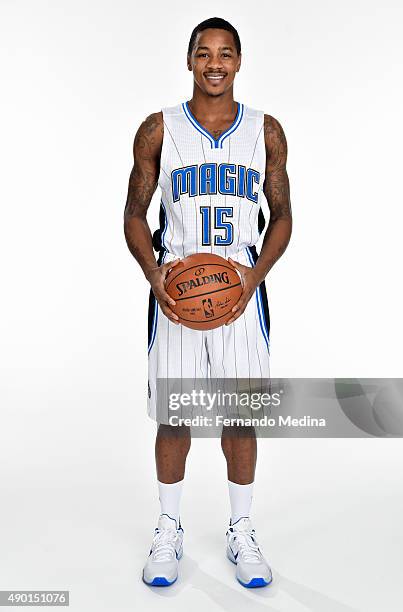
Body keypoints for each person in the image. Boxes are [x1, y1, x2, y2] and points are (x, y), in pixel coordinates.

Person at [124, 16, 292, 588]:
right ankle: (168, 529)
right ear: (189, 60)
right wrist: (155, 275)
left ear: (239, 62)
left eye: (225, 54)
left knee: (240, 421)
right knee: (175, 420)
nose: (214, 63)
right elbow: (133, 215)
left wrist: (254, 277)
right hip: (176, 298)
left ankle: (240, 530)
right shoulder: (158, 130)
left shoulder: (266, 132)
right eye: (204, 53)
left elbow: (283, 215)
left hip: (241, 299)